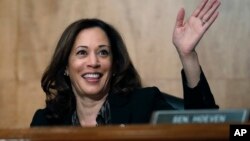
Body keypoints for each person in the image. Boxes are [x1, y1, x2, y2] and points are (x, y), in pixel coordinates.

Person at [31, 0, 221, 127]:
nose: (93, 62)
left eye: (103, 52)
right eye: (82, 53)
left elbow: (205, 129)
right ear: (65, 66)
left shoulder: (144, 105)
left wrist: (187, 55)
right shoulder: (45, 122)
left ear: (114, 66)